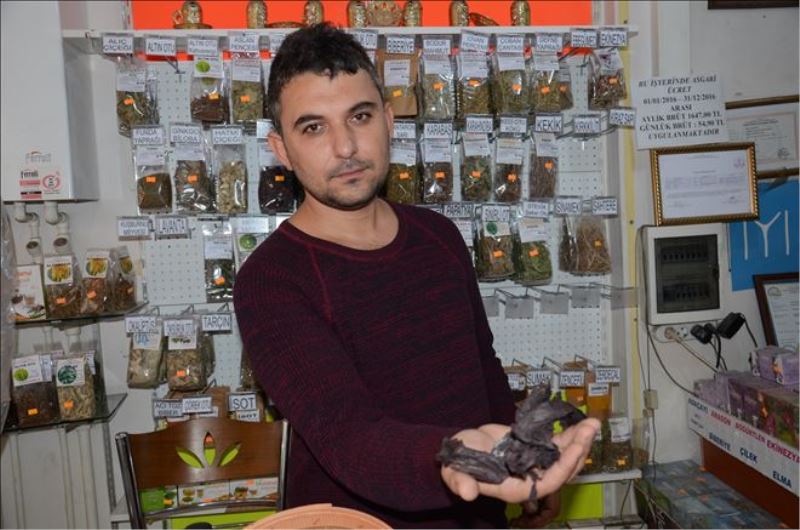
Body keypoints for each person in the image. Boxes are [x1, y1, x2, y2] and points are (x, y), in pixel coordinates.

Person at [234, 23, 599, 529]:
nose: (345, 147)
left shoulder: (438, 235)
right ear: (281, 149)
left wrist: (524, 456)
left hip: (479, 508)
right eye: (313, 127)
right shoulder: (271, 280)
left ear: (388, 120)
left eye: (360, 116)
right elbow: (348, 436)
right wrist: (451, 457)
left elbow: (483, 367)